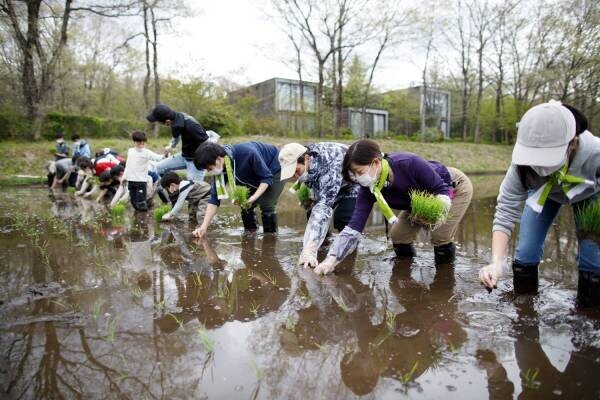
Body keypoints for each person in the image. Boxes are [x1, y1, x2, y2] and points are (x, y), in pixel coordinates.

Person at [478, 101, 600, 306]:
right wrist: (496, 262)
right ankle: (524, 310)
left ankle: (587, 319)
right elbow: (506, 209)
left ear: (572, 142)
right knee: (525, 252)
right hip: (544, 196)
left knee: (592, 259)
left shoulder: (595, 153)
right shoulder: (521, 167)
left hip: (589, 195)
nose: (540, 166)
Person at [314, 139, 473, 275]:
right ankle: (404, 273)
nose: (357, 178)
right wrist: (331, 260)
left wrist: (437, 214)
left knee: (439, 235)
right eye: (353, 174)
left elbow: (441, 189)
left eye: (359, 171)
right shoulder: (368, 188)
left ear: (375, 163)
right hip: (416, 201)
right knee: (398, 235)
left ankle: (443, 279)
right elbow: (354, 227)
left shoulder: (408, 163)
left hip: (452, 187)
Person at [278, 142, 359, 268]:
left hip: (353, 184)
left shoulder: (329, 163)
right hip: (332, 182)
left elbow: (324, 206)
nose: (296, 176)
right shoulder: (308, 159)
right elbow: (317, 186)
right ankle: (323, 244)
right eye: (292, 173)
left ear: (306, 159)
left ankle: (348, 251)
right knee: (312, 211)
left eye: (297, 171)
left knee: (342, 216)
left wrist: (309, 249)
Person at [191, 141, 284, 237]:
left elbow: (266, 177)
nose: (209, 172)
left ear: (218, 159)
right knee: (245, 204)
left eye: (209, 169)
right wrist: (203, 227)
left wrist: (254, 197)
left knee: (266, 204)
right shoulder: (220, 170)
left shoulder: (247, 153)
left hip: (274, 166)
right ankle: (250, 233)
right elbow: (214, 199)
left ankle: (270, 237)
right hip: (252, 174)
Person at [147, 104, 208, 182]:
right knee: (158, 168)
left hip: (196, 162)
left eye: (159, 122)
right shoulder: (176, 120)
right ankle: (168, 190)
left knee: (193, 189)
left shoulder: (191, 126)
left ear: (167, 121)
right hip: (184, 156)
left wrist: (203, 162)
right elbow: (176, 137)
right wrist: (170, 147)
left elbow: (207, 143)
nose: (159, 123)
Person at [123, 131, 163, 211]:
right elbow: (128, 165)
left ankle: (144, 220)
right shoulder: (130, 151)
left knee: (141, 202)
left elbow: (157, 158)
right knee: (133, 202)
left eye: (143, 141)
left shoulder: (146, 152)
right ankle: (138, 219)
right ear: (134, 141)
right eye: (139, 141)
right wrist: (124, 177)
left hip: (141, 181)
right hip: (131, 180)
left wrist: (165, 156)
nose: (141, 143)